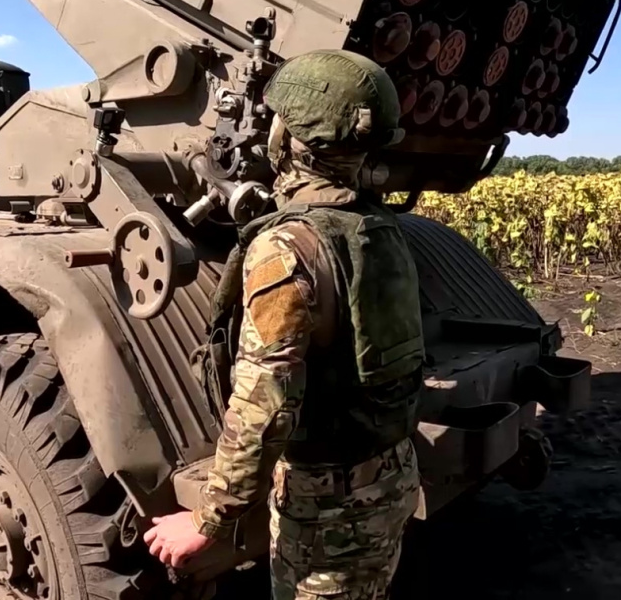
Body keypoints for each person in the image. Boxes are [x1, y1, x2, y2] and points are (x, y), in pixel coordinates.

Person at [145, 49, 425, 599]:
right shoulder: (377, 226)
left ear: (287, 138)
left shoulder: (286, 248)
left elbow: (264, 406)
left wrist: (208, 518)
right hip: (390, 477)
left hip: (328, 513)